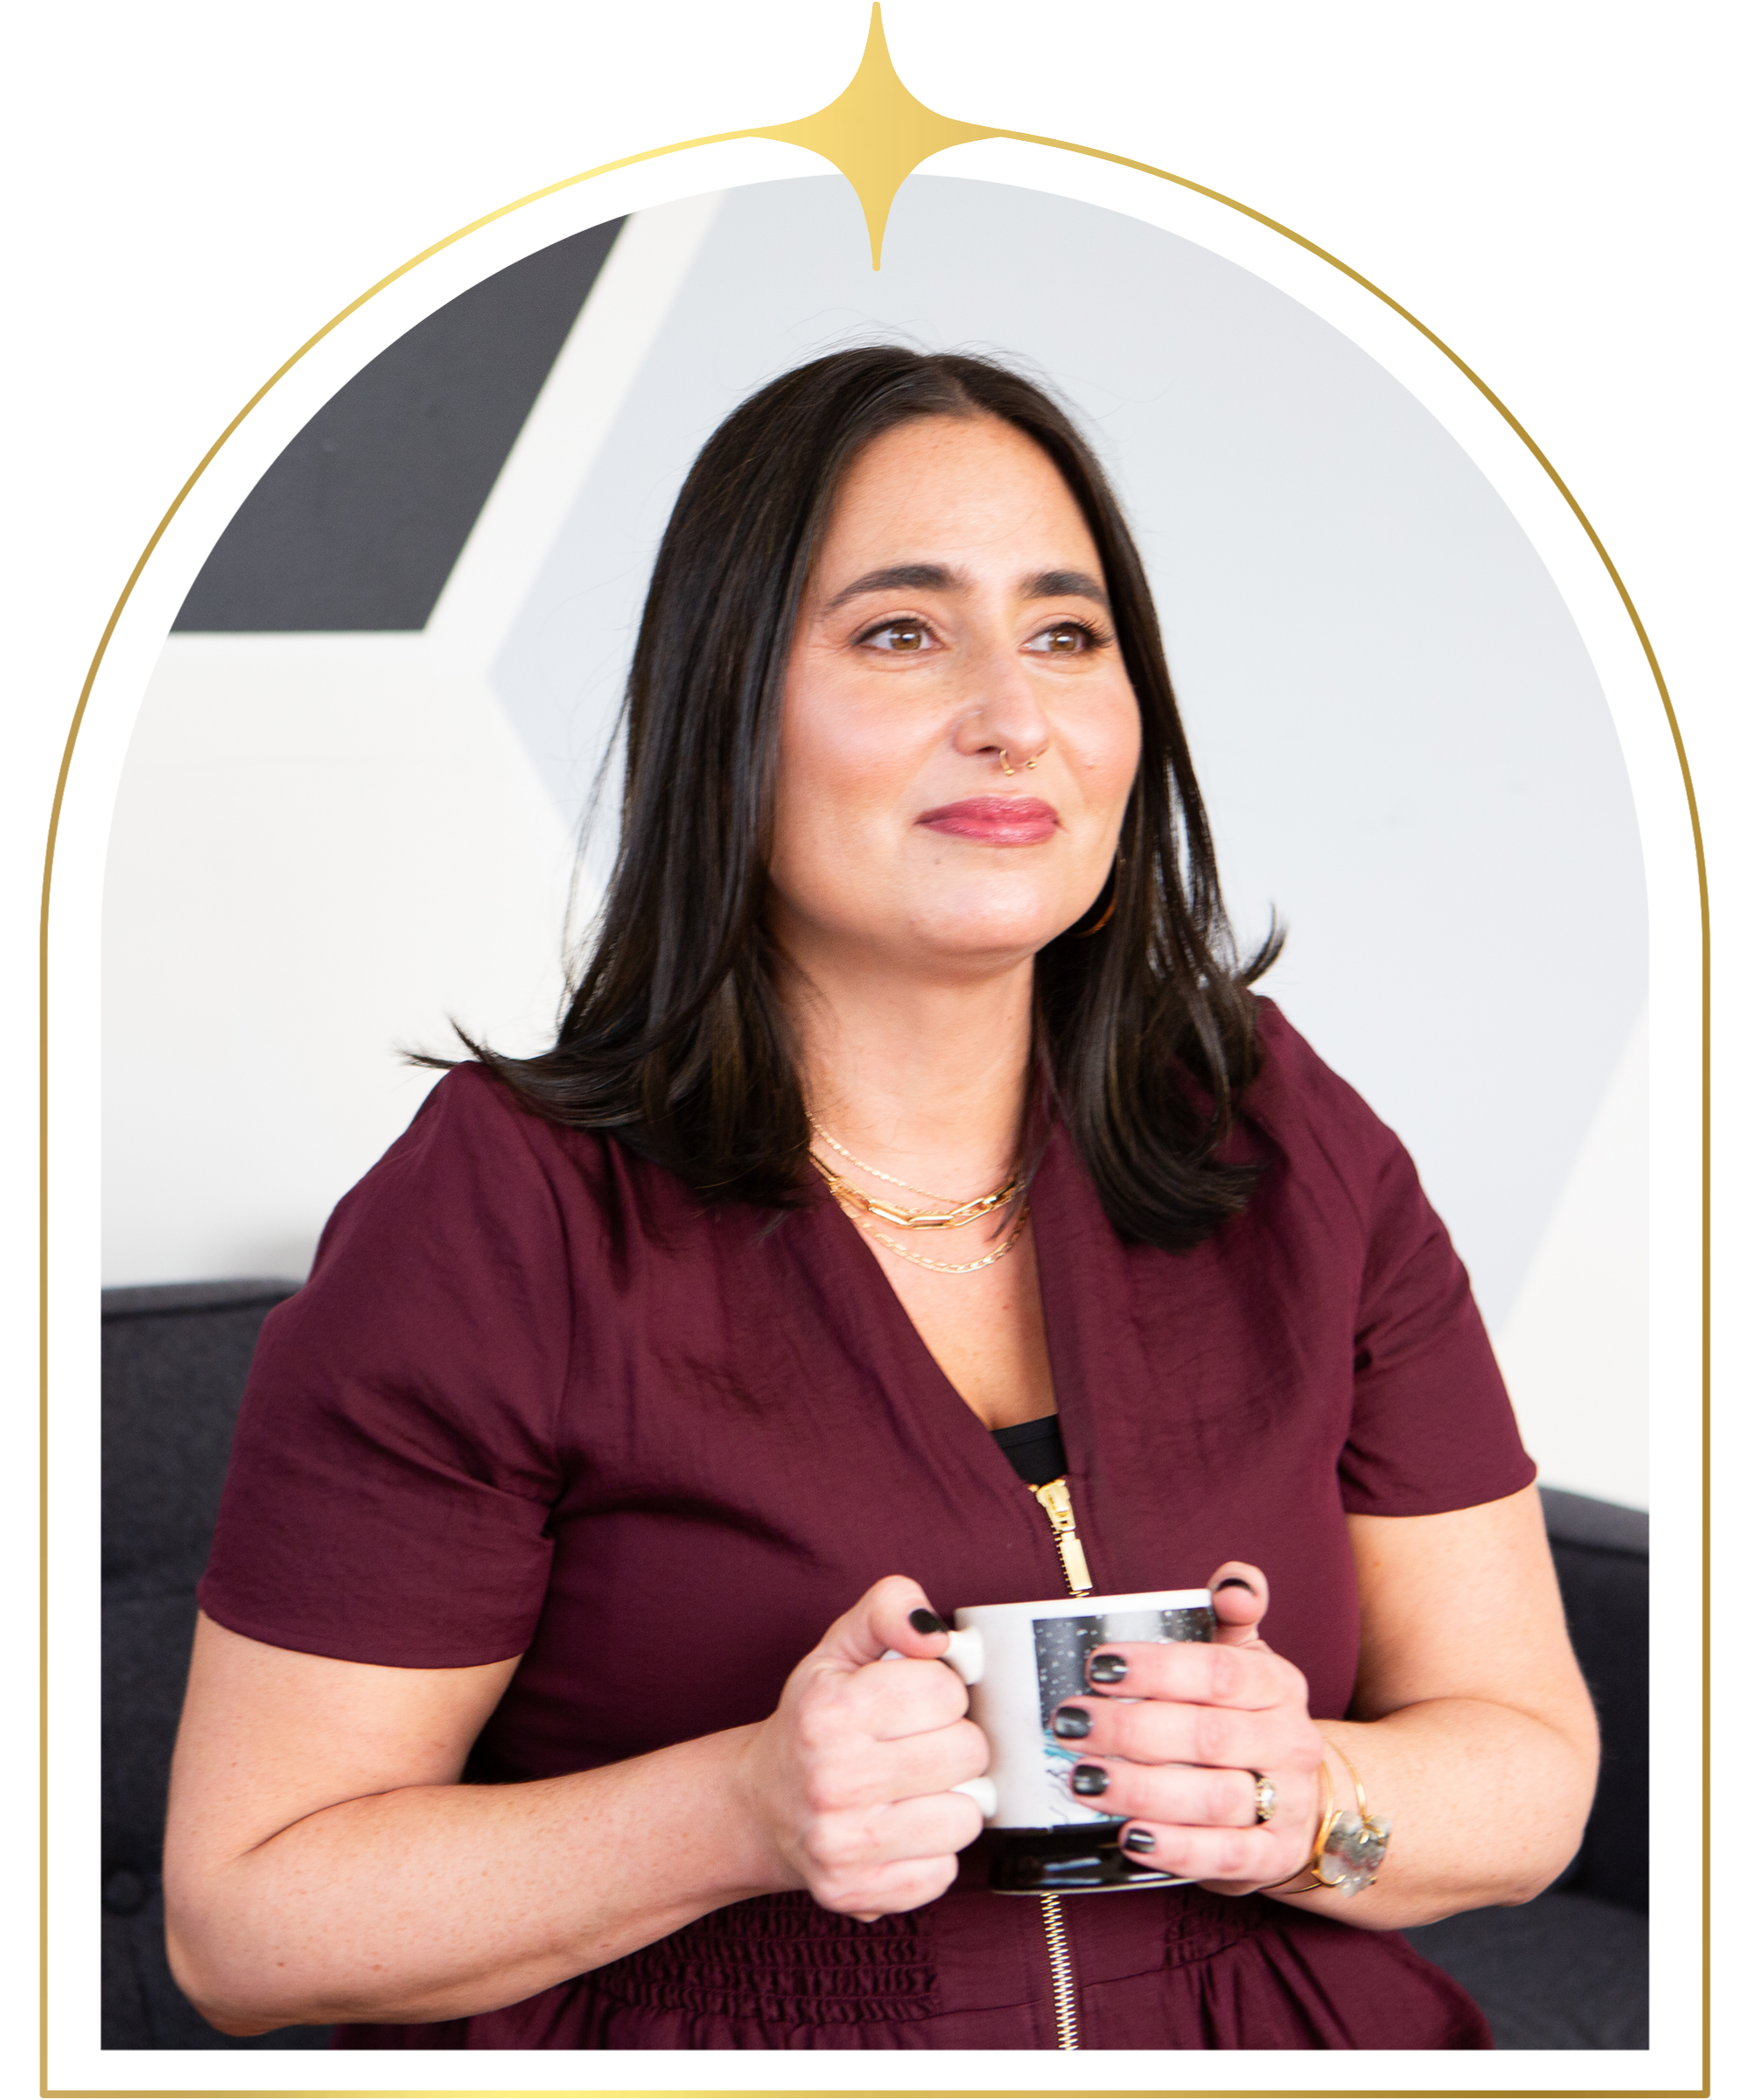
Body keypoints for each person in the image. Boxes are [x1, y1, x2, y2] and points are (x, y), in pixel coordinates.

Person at [163, 346, 1599, 2054]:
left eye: (1067, 635)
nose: (1013, 715)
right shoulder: (504, 1212)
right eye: (902, 633)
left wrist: (1299, 1801)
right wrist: (736, 1812)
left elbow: (1526, 1771)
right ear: (729, 709)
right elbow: (247, 1923)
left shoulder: (1281, 1139)